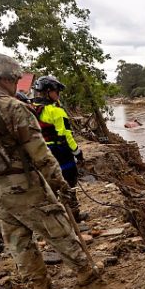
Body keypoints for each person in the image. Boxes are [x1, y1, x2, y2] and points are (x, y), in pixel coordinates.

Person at [0, 53, 101, 289]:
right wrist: (58, 182)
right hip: (20, 182)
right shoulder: (14, 108)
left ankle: (39, 284)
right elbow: (40, 153)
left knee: (16, 239)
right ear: (8, 77)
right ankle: (85, 270)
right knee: (56, 226)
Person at [30, 75, 87, 222]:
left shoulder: (31, 109)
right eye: (57, 91)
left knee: (49, 186)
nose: (58, 94)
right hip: (61, 153)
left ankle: (55, 219)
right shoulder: (56, 112)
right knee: (69, 182)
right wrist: (78, 153)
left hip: (41, 153)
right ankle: (74, 216)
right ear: (48, 91)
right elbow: (66, 136)